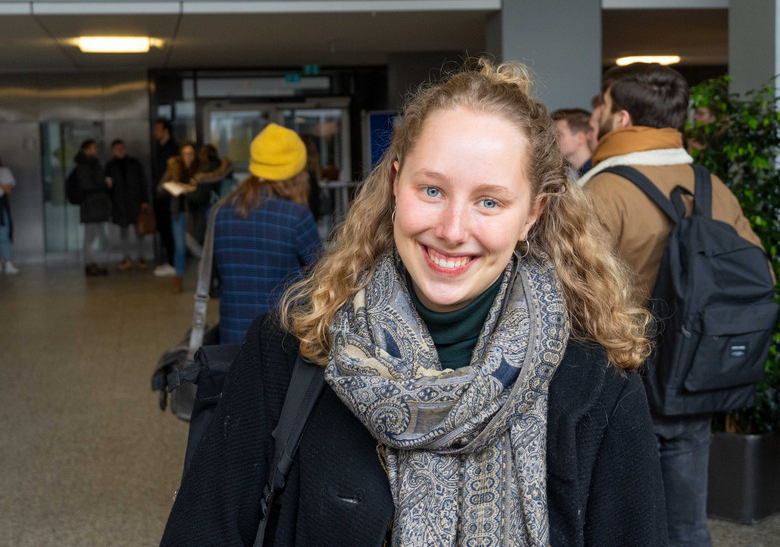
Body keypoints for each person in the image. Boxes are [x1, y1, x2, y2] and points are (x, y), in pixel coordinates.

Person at [161, 59, 667, 546]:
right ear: (396, 183)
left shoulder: (598, 386)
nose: (451, 230)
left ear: (532, 215)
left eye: (489, 201)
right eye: (431, 189)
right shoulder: (290, 350)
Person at [579, 63, 767, 547]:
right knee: (685, 525)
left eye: (601, 105)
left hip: (616, 380)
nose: (596, 113)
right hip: (692, 376)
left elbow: (568, 292)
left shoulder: (603, 190)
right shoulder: (711, 186)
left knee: (615, 524)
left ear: (620, 119)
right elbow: (759, 275)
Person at [212, 124, 320, 345]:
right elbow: (323, 278)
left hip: (232, 336)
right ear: (297, 172)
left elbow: (221, 274)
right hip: (280, 339)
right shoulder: (296, 216)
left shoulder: (220, 212)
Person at [157, 142, 199, 293]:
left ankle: (204, 280)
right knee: (180, 247)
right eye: (186, 154)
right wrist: (173, 185)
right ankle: (178, 279)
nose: (189, 157)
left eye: (191, 154)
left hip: (194, 213)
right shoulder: (174, 169)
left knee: (198, 247)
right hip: (178, 212)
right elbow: (160, 188)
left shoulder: (199, 169)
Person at [105, 139, 149, 270]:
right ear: (113, 151)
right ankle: (126, 257)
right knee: (123, 231)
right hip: (119, 204)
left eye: (122, 147)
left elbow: (143, 182)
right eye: (117, 148)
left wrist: (144, 201)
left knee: (139, 231)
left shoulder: (134, 163)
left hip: (135, 202)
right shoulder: (110, 166)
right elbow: (108, 186)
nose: (121, 150)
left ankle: (141, 256)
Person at [74, 139, 111, 277]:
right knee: (90, 236)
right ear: (87, 149)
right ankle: (90, 264)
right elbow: (88, 184)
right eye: (94, 148)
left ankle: (91, 264)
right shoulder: (85, 165)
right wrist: (103, 184)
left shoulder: (90, 163)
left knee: (92, 235)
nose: (97, 150)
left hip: (95, 204)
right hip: (91, 205)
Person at [185, 144, 232, 246]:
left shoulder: (205, 172)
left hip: (206, 212)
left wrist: (187, 192)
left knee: (202, 242)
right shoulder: (223, 169)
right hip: (223, 210)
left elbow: (200, 196)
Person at [152, 120, 180, 276]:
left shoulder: (173, 149)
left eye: (158, 128)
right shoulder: (159, 148)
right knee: (163, 228)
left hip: (169, 196)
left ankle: (173, 263)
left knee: (170, 230)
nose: (155, 132)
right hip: (160, 195)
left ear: (166, 131)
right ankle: (170, 260)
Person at [550, 107, 593, 179]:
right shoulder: (574, 175)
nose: (553, 139)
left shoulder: (595, 175)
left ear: (580, 138)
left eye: (559, 134)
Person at [0, 158, 18, 275]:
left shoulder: (4, 171)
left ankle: (8, 263)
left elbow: (8, 189)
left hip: (1, 206)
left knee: (4, 235)